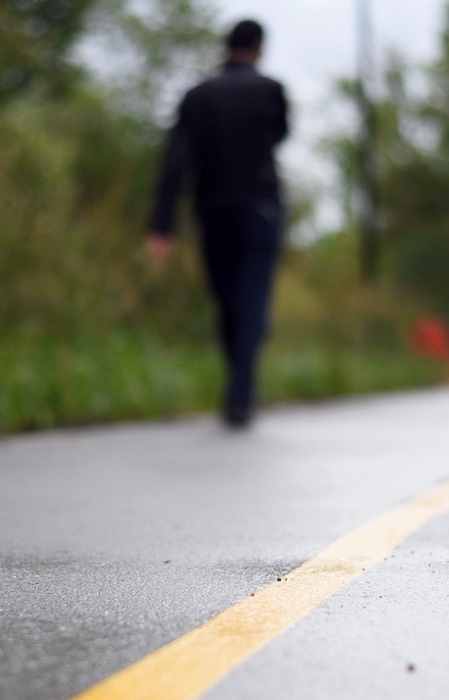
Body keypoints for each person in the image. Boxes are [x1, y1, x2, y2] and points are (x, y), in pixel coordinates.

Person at [147, 19, 288, 429]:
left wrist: (161, 225)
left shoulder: (199, 96)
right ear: (259, 48)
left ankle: (239, 391)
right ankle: (242, 386)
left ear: (224, 47)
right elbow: (280, 135)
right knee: (250, 300)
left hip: (213, 211)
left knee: (227, 300)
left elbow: (176, 159)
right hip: (261, 208)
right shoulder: (271, 91)